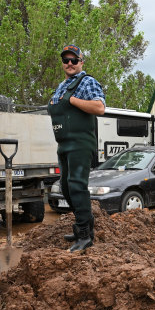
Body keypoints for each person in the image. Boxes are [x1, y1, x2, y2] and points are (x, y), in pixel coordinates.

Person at [48, 44, 106, 251]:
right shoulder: (61, 86)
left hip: (80, 144)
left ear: (81, 62)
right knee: (65, 187)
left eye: (74, 60)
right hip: (63, 144)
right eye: (66, 60)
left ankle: (84, 235)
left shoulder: (87, 81)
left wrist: (72, 100)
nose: (70, 64)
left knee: (76, 186)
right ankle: (84, 224)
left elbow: (100, 107)